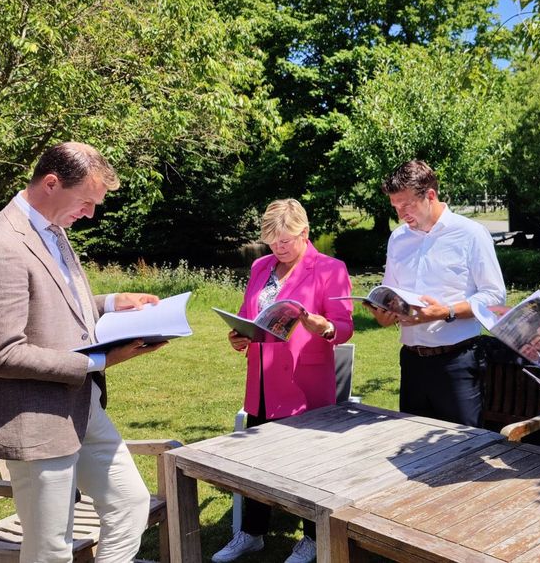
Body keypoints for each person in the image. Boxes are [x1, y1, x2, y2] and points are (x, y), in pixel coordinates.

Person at [0, 141, 167, 563]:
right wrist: (101, 360)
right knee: (51, 550)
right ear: (51, 183)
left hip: (82, 406)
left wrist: (111, 302)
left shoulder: (52, 228)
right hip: (34, 419)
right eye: (87, 201)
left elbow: (55, 301)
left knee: (130, 504)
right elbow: (3, 353)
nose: (90, 213)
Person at [212, 199, 355, 563]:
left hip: (304, 382)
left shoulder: (330, 269)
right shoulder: (261, 266)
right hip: (261, 380)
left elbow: (343, 326)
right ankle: (253, 533)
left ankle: (311, 535)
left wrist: (323, 326)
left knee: (309, 463)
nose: (279, 248)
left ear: (304, 233)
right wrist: (238, 336)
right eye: (273, 241)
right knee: (257, 460)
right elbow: (249, 315)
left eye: (286, 240)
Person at [368, 160, 506, 427]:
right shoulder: (398, 239)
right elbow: (390, 293)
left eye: (406, 205)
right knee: (412, 449)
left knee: (462, 449)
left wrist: (446, 312)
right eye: (395, 207)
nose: (401, 214)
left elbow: (494, 297)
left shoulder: (470, 234)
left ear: (430, 195)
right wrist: (385, 313)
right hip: (411, 362)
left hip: (457, 362)